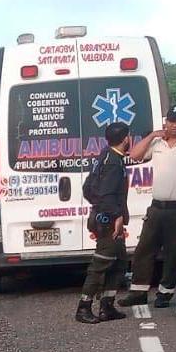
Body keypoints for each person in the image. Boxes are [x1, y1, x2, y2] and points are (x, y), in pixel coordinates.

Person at [119, 105, 176, 308]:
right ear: (165, 121)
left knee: (175, 253)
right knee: (144, 249)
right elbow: (135, 155)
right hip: (157, 206)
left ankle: (165, 293)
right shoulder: (158, 141)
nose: (174, 126)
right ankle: (138, 292)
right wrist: (152, 136)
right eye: (171, 121)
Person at [76, 123, 132, 324]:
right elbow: (106, 193)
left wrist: (99, 206)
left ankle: (107, 306)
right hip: (108, 222)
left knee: (119, 263)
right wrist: (115, 216)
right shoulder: (113, 163)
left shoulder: (106, 156)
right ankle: (84, 308)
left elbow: (88, 188)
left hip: (104, 217)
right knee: (100, 265)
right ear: (126, 139)